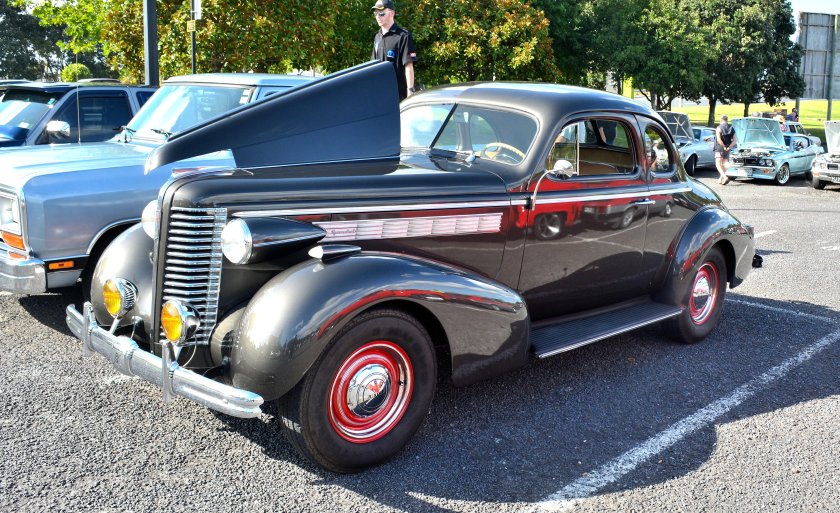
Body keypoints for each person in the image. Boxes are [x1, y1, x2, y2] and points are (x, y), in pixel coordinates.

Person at [370, 0, 416, 101]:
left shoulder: (403, 36)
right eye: (375, 13)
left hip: (398, 96)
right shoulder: (377, 37)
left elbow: (408, 65)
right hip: (380, 95)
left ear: (392, 13)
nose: (378, 16)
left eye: (381, 13)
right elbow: (373, 66)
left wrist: (410, 91)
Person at [714, 115, 735, 185]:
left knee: (718, 163)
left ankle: (725, 177)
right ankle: (720, 179)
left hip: (720, 148)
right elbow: (735, 140)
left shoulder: (719, 128)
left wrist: (724, 146)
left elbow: (719, 139)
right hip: (728, 147)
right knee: (725, 163)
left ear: (721, 120)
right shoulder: (731, 128)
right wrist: (729, 147)